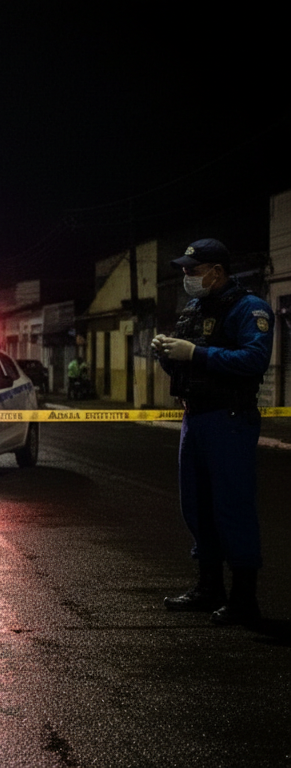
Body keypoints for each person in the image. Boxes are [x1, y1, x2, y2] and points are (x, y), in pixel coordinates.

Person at [152, 238, 272, 627]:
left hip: (228, 418)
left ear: (216, 271)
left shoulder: (248, 308)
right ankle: (208, 587)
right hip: (195, 417)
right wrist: (169, 355)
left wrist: (196, 353)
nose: (186, 276)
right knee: (197, 505)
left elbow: (255, 359)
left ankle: (244, 598)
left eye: (193, 270)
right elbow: (188, 369)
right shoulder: (195, 308)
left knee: (231, 505)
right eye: (185, 269)